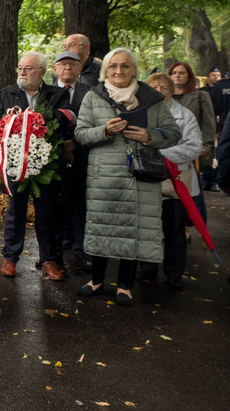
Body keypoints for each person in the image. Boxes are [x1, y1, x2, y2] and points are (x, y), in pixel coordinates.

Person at [74, 48, 180, 305]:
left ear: (134, 69)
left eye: (124, 66)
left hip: (139, 176)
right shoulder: (93, 96)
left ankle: (125, 285)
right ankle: (96, 280)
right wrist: (104, 131)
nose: (118, 71)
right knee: (103, 228)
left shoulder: (151, 98)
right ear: (105, 70)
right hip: (104, 177)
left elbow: (173, 133)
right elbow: (80, 134)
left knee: (133, 229)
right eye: (113, 66)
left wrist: (149, 136)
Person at [0, 51, 72, 281]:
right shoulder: (6, 93)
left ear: (42, 72)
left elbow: (66, 119)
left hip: (46, 165)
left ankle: (48, 259)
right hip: (16, 164)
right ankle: (10, 257)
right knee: (15, 210)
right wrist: (9, 118)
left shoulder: (57, 94)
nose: (22, 72)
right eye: (20, 68)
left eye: (28, 69)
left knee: (47, 213)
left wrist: (35, 119)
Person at [144, 73, 201, 289]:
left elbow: (194, 146)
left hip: (174, 180)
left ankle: (174, 272)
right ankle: (148, 266)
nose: (158, 90)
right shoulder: (140, 113)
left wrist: (160, 154)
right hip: (147, 178)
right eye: (153, 86)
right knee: (148, 228)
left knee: (175, 229)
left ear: (171, 91)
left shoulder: (184, 116)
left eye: (163, 87)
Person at [53, 50, 93, 272]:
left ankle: (81, 250)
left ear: (80, 69)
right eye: (63, 64)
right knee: (57, 201)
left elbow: (93, 120)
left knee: (79, 201)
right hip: (53, 156)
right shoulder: (47, 91)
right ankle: (58, 247)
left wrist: (74, 143)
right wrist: (61, 145)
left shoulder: (91, 92)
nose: (67, 68)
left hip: (82, 154)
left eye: (72, 64)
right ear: (55, 69)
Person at [168, 61, 216, 228]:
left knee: (194, 190)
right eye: (174, 73)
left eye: (181, 73)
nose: (177, 76)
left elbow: (209, 123)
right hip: (170, 149)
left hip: (192, 149)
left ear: (189, 76)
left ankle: (193, 225)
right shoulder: (165, 97)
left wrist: (206, 146)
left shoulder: (201, 96)